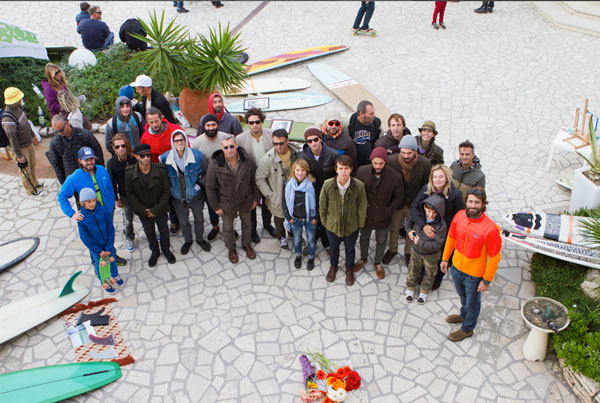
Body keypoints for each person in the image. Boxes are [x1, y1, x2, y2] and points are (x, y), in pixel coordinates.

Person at [441, 187, 502, 342]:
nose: (473, 205)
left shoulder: (491, 228)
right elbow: (451, 238)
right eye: (470, 201)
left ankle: (467, 328)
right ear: (466, 202)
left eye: (477, 202)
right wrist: (445, 259)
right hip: (456, 269)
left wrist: (486, 280)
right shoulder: (459, 216)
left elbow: (495, 257)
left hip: (474, 276)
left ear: (483, 204)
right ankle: (463, 315)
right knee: (463, 297)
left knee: (472, 303)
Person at [57, 146, 127, 266]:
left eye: (91, 159)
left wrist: (112, 203)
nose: (89, 162)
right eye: (86, 160)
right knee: (94, 239)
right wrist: (71, 213)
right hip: (90, 215)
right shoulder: (75, 177)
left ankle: (112, 255)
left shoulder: (102, 170)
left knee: (108, 234)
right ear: (80, 161)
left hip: (106, 211)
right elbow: (62, 196)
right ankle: (96, 263)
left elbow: (109, 187)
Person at [205, 135, 260, 264]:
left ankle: (247, 244)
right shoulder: (215, 164)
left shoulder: (247, 160)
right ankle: (231, 248)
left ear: (236, 146)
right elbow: (210, 187)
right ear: (222, 148)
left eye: (231, 146)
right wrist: (216, 207)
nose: (229, 150)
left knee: (247, 223)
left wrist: (256, 199)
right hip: (226, 203)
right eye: (226, 147)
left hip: (245, 200)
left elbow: (254, 180)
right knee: (228, 227)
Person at [410, 164, 465, 290]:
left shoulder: (455, 194)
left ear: (446, 178)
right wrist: (423, 226)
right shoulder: (426, 190)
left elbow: (460, 216)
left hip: (445, 232)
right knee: (424, 252)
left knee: (442, 257)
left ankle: (437, 278)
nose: (438, 180)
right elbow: (414, 207)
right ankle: (423, 274)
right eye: (435, 177)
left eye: (441, 177)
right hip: (427, 229)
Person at [159, 129, 212, 255]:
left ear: (186, 140)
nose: (179, 143)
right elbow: (162, 177)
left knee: (199, 218)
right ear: (172, 142)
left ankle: (200, 238)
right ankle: (188, 240)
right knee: (183, 221)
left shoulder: (198, 156)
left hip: (195, 195)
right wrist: (170, 190)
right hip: (178, 197)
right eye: (176, 140)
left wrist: (199, 185)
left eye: (182, 139)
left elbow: (207, 173)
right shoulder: (165, 158)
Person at [382, 135, 431, 266]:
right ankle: (392, 249)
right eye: (403, 152)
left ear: (415, 151)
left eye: (409, 153)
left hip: (414, 203)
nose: (405, 156)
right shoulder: (392, 161)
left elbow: (426, 186)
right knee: (394, 227)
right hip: (397, 202)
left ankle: (408, 251)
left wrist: (420, 203)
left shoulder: (425, 163)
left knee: (413, 229)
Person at [355, 147, 403, 279]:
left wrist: (388, 211)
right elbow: (356, 191)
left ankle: (378, 262)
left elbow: (399, 196)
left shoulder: (395, 176)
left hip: (383, 214)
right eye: (375, 163)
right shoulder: (362, 171)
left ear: (385, 162)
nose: (378, 166)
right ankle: (363, 258)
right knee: (364, 237)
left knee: (381, 239)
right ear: (371, 161)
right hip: (366, 213)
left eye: (381, 163)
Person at [125, 144, 176, 267]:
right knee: (149, 232)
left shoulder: (160, 169)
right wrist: (143, 210)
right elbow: (130, 194)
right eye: (142, 156)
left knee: (164, 230)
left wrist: (156, 209)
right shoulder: (129, 173)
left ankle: (166, 249)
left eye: (148, 155)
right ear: (137, 157)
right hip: (144, 210)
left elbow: (166, 190)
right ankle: (155, 251)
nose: (146, 158)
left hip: (160, 208)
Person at [320, 154, 367, 286]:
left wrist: (359, 224)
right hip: (332, 226)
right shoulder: (327, 185)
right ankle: (333, 266)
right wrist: (325, 222)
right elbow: (322, 205)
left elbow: (362, 206)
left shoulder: (359, 186)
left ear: (351, 169)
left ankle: (349, 268)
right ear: (336, 169)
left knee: (350, 249)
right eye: (340, 168)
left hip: (351, 226)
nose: (343, 171)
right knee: (333, 248)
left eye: (346, 168)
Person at [237, 107, 275, 242]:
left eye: (257, 122)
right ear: (247, 123)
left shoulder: (271, 134)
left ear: (262, 121)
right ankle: (253, 231)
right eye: (251, 122)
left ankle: (267, 224)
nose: (255, 125)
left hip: (268, 177)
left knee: (267, 203)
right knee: (251, 205)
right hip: (251, 179)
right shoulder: (240, 139)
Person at [297, 127, 339, 250]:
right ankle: (312, 242)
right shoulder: (302, 156)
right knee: (311, 220)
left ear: (320, 139)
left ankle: (327, 244)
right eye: (309, 141)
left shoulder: (333, 155)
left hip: (329, 193)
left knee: (326, 220)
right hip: (311, 195)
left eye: (315, 139)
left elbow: (338, 175)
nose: (313, 143)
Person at [256, 129, 297, 250]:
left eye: (281, 143)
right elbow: (259, 179)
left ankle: (293, 233)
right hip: (278, 195)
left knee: (295, 216)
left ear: (287, 141)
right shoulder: (267, 159)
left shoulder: (296, 153)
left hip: (294, 193)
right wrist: (271, 196)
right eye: (275, 144)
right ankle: (281, 237)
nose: (278, 146)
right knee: (279, 219)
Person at [76, 187, 124, 293]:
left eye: (93, 200)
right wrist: (99, 251)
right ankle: (105, 282)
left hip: (107, 244)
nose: (92, 204)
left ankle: (115, 275)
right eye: (89, 202)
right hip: (96, 248)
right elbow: (85, 238)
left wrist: (109, 247)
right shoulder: (81, 217)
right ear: (83, 203)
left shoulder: (103, 210)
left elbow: (110, 229)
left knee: (112, 260)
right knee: (100, 264)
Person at [191, 114, 229, 241]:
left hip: (225, 180)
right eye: (208, 125)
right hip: (208, 181)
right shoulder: (196, 143)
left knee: (227, 205)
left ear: (218, 125)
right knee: (212, 206)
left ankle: (228, 227)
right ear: (204, 127)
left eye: (213, 125)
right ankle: (215, 227)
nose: (211, 128)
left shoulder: (226, 138)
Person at [405, 194, 447, 304]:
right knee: (412, 270)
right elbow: (408, 225)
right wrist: (409, 231)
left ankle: (424, 292)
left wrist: (420, 242)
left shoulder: (441, 225)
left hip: (431, 255)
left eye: (434, 212)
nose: (431, 215)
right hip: (416, 252)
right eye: (428, 211)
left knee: (430, 274)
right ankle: (410, 288)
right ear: (424, 207)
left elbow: (438, 244)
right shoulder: (418, 216)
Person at [2, 87, 42, 196]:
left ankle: (35, 183)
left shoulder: (19, 108)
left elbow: (26, 124)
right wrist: (19, 155)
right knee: (25, 170)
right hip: (20, 148)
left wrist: (33, 135)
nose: (21, 99)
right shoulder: (8, 119)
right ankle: (30, 189)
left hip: (28, 143)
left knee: (32, 165)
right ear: (14, 101)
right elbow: (12, 140)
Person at [47, 114, 104, 186]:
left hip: (90, 175)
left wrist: (100, 174)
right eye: (57, 131)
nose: (60, 133)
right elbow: (56, 164)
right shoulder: (55, 143)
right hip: (73, 179)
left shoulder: (84, 135)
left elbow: (98, 153)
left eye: (61, 130)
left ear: (67, 123)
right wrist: (64, 183)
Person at [283, 159, 317, 270]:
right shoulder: (288, 184)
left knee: (311, 239)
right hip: (295, 218)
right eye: (297, 170)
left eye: (303, 170)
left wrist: (315, 217)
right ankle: (298, 256)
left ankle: (311, 258)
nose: (300, 173)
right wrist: (289, 217)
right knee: (297, 239)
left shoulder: (313, 184)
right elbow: (284, 201)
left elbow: (318, 201)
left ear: (307, 171)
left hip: (310, 218)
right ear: (293, 171)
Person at [106, 133, 138, 253]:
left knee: (145, 215)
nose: (121, 149)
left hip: (139, 194)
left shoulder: (134, 159)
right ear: (114, 148)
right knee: (128, 219)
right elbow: (112, 183)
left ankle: (150, 233)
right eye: (117, 147)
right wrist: (116, 199)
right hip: (125, 196)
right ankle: (129, 238)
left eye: (123, 146)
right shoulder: (111, 164)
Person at [348, 100, 381, 167]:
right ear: (361, 114)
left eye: (373, 113)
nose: (373, 116)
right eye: (371, 114)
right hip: (354, 162)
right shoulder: (351, 121)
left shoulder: (376, 123)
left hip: (368, 164)